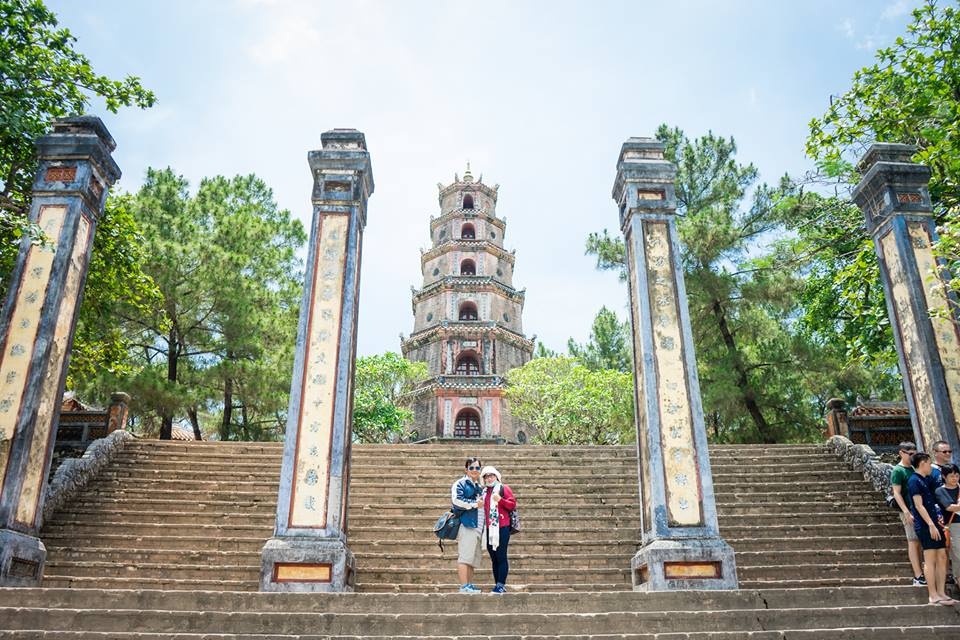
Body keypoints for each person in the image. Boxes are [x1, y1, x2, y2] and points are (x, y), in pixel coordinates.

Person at [908, 452, 957, 605]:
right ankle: (933, 595)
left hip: (936, 522)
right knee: (930, 559)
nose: (931, 466)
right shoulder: (914, 480)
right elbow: (918, 505)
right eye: (929, 463)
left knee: (942, 556)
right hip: (925, 524)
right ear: (923, 463)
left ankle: (941, 593)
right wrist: (930, 524)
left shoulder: (926, 479)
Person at [891, 441, 925, 585]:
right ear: (901, 453)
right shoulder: (898, 471)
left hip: (920, 509)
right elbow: (896, 493)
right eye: (910, 454)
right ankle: (918, 575)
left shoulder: (914, 468)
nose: (913, 456)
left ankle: (924, 571)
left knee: (921, 541)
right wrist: (905, 511)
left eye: (914, 453)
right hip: (909, 510)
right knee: (913, 541)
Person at [480, 466, 516, 594]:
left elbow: (512, 505)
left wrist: (500, 500)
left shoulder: (503, 488)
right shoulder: (484, 492)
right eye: (486, 476)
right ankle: (497, 585)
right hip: (489, 529)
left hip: (502, 527)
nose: (489, 478)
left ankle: (501, 585)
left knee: (501, 556)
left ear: (496, 476)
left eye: (491, 475)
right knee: (494, 558)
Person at [451, 457, 484, 594]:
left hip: (478, 527)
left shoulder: (478, 486)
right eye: (471, 468)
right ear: (466, 470)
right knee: (465, 557)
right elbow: (456, 500)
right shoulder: (461, 483)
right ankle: (464, 586)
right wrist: (475, 504)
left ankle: (469, 585)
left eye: (477, 468)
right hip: (467, 525)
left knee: (472, 559)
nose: (475, 470)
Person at [934, 463, 960, 586]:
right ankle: (958, 578)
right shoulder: (940, 491)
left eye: (957, 475)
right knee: (957, 553)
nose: (955, 478)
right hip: (954, 525)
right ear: (944, 477)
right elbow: (949, 507)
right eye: (951, 476)